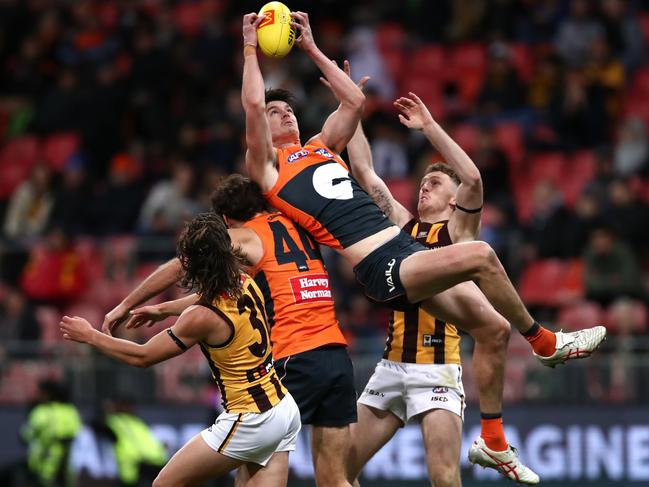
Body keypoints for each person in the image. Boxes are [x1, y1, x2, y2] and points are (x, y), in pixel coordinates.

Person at [241, 11, 605, 479]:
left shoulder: (319, 147)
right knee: (481, 254)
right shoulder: (267, 167)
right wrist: (251, 47)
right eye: (275, 111)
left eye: (287, 107)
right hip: (378, 261)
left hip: (403, 253)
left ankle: (493, 441)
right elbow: (251, 105)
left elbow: (353, 100)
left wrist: (311, 47)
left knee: (492, 330)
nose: (283, 111)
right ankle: (545, 342)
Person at [102, 175, 357, 487]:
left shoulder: (245, 237)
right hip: (335, 352)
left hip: (294, 356)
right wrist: (164, 309)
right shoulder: (293, 221)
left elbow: (187, 263)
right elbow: (220, 289)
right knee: (336, 478)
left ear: (226, 221)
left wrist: (124, 305)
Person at [341, 92, 536, 484]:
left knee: (444, 477)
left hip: (438, 371)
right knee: (338, 470)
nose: (423, 189)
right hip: (390, 367)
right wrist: (351, 108)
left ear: (454, 198)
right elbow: (364, 170)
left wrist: (429, 127)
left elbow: (473, 177)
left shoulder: (459, 233)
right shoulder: (401, 228)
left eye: (434, 183)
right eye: (423, 183)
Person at [60, 213, 301, 487]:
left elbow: (143, 356)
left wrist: (90, 336)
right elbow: (211, 295)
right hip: (282, 408)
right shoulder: (243, 279)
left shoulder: (200, 317)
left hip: (251, 419)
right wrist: (163, 308)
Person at [21, 380, 82, 487]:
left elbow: (26, 435)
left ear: (47, 394)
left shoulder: (41, 411)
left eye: (40, 392)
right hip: (66, 467)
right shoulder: (71, 411)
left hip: (43, 466)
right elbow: (77, 434)